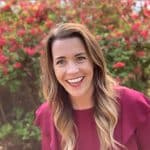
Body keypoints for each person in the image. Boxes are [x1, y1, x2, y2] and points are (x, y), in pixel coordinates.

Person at [34, 23, 150, 150]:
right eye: (61, 62)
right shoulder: (48, 114)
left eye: (80, 58)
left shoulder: (134, 105)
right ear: (53, 69)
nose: (72, 70)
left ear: (94, 61)